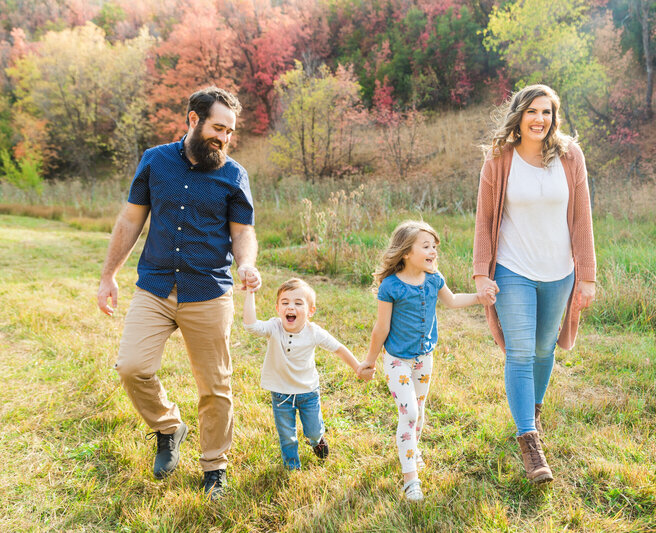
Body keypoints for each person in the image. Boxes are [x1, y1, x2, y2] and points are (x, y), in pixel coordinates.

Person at [96, 87, 261, 500]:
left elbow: (243, 231)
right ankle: (169, 427)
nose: (224, 138)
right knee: (132, 367)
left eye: (230, 131)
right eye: (218, 128)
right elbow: (131, 220)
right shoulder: (155, 161)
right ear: (193, 119)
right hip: (155, 286)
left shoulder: (233, 174)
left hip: (207, 290)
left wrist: (245, 263)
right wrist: (108, 276)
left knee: (215, 386)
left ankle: (214, 468)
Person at [473, 84, 596, 484]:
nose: (540, 119)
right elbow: (485, 219)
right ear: (519, 114)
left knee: (545, 349)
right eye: (532, 111)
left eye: (547, 112)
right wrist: (481, 272)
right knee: (521, 351)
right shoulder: (499, 159)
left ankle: (533, 412)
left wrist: (587, 276)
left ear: (554, 117)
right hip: (513, 269)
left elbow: (581, 219)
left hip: (558, 271)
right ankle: (528, 439)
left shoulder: (570, 156)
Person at [357, 220, 494, 502]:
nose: (433, 251)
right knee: (408, 413)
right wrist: (370, 362)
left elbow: (453, 301)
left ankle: (412, 450)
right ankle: (411, 481)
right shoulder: (391, 287)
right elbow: (380, 329)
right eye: (426, 246)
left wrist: (480, 298)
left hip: (424, 358)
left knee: (418, 409)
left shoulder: (434, 278)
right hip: (397, 361)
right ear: (406, 252)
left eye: (435, 247)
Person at [243, 277, 371, 470]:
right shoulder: (274, 327)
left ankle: (316, 440)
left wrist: (357, 367)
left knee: (313, 430)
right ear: (278, 308)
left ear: (310, 311)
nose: (290, 307)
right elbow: (251, 326)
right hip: (281, 393)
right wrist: (250, 293)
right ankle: (292, 466)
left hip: (308, 392)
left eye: (298, 303)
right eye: (285, 303)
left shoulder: (314, 332)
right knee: (287, 435)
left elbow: (338, 349)